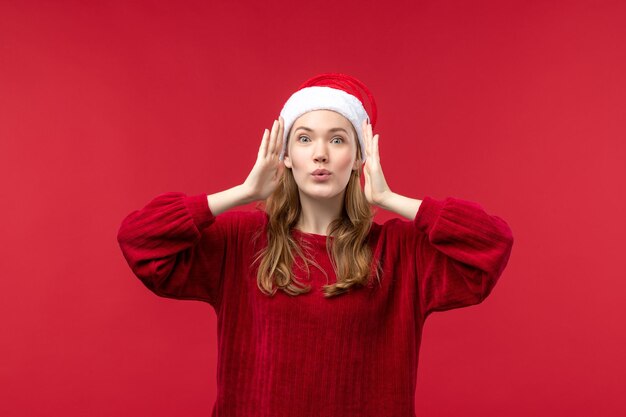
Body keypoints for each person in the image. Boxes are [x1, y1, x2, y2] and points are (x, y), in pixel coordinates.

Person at [117, 73, 514, 417]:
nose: (320, 153)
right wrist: (241, 193)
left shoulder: (400, 252)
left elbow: (491, 243)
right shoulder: (241, 243)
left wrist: (391, 200)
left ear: (360, 157)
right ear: (286, 155)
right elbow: (140, 238)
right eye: (304, 139)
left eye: (338, 140)